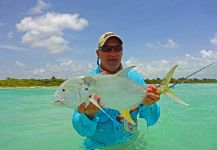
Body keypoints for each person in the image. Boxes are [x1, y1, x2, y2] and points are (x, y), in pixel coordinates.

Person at [72, 32, 160, 149]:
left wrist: (149, 104)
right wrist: (88, 116)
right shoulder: (87, 83)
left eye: (117, 48)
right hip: (98, 147)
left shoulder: (135, 79)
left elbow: (152, 120)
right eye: (106, 48)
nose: (112, 53)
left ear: (122, 52)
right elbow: (82, 131)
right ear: (98, 53)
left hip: (131, 144)